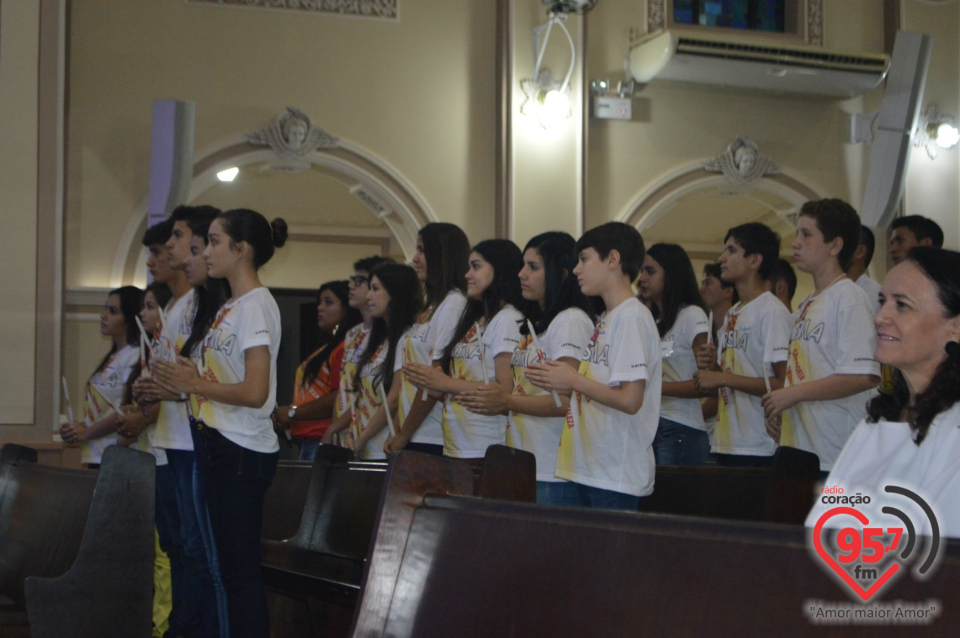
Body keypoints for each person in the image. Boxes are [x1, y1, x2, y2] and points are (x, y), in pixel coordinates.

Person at [154, 208, 287, 638]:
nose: (205, 252)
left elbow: (255, 392)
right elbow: (214, 380)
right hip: (215, 444)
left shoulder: (257, 305)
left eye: (213, 242)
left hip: (241, 451)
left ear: (241, 250)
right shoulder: (230, 306)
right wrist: (180, 377)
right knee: (220, 569)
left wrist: (195, 383)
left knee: (238, 574)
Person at [805, 247, 960, 538]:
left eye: (901, 305)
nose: (879, 317)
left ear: (955, 327)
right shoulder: (881, 418)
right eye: (881, 302)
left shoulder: (954, 427)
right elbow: (825, 525)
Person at [526, 222, 661, 511]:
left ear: (613, 259)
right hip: (594, 467)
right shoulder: (610, 317)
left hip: (614, 473)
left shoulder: (632, 317)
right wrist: (558, 380)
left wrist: (572, 379)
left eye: (584, 259)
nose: (576, 269)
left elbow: (630, 399)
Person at [136, 205, 224, 638]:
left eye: (177, 239)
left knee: (196, 549)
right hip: (170, 440)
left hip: (194, 441)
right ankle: (182, 625)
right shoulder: (177, 305)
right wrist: (152, 389)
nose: (171, 249)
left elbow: (203, 378)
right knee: (178, 545)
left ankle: (193, 628)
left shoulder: (203, 304)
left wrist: (164, 389)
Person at [457, 232, 595, 505]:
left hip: (553, 468)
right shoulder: (538, 322)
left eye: (533, 267)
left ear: (561, 273)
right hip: (525, 461)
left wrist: (506, 400)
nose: (521, 274)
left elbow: (568, 402)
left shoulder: (570, 321)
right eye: (523, 265)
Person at [762, 199, 880, 476]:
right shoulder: (807, 304)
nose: (796, 243)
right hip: (803, 450)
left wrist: (791, 394)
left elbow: (863, 376)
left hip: (836, 453)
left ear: (835, 245)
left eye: (806, 234)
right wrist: (784, 411)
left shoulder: (849, 298)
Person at [403, 239, 526, 460]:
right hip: (456, 443)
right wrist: (433, 384)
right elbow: (462, 384)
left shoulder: (506, 318)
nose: (468, 274)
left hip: (487, 445)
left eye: (476, 266)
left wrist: (444, 383)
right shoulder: (475, 318)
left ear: (500, 269)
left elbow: (506, 388)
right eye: (469, 267)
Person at [694, 223, 791, 468]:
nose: (722, 258)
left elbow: (782, 382)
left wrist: (721, 379)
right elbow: (733, 375)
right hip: (727, 439)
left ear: (755, 260)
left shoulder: (771, 311)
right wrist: (713, 368)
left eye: (731, 250)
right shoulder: (733, 313)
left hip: (759, 443)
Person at [384, 223, 471, 456]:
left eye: (422, 250)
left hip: (432, 434)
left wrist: (404, 434)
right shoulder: (432, 306)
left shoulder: (454, 303)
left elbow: (435, 381)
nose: (415, 258)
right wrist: (399, 428)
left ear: (442, 255)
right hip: (413, 430)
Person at [272, 281, 361, 461]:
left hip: (326, 438)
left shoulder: (345, 348)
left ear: (347, 308)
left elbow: (338, 397)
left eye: (328, 302)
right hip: (308, 440)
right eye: (319, 302)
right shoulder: (327, 347)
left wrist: (292, 413)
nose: (320, 308)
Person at [640, 243, 711, 466]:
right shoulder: (654, 320)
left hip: (681, 428)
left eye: (650, 271)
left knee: (672, 501)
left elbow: (706, 383)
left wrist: (650, 389)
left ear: (671, 275)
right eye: (642, 271)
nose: (642, 278)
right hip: (654, 424)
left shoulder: (691, 315)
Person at [344, 264, 423, 457]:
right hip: (364, 449)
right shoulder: (376, 340)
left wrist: (362, 439)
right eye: (369, 288)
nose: (369, 296)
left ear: (396, 292)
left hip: (387, 448)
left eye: (375, 289)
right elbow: (361, 395)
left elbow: (395, 398)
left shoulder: (410, 338)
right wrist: (351, 431)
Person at [60, 287, 142, 469]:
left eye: (112, 311)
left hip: (118, 454)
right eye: (105, 309)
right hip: (97, 453)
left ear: (130, 318)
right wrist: (78, 428)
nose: (103, 316)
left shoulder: (134, 357)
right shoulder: (114, 356)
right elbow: (105, 408)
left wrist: (87, 433)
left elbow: (127, 411)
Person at [321, 256, 393, 448]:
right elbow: (344, 389)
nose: (351, 285)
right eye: (352, 279)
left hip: (374, 435)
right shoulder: (353, 333)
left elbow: (374, 393)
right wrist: (337, 427)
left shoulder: (386, 337)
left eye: (360, 281)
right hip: (348, 431)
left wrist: (337, 427)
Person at [699, 263, 738, 429]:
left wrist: (692, 418)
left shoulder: (735, 331)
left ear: (727, 292)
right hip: (712, 432)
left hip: (728, 426)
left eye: (708, 283)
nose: (702, 289)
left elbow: (726, 386)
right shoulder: (708, 330)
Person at [847, 224, 881, 315]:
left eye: (841, 244)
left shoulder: (871, 295)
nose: (833, 250)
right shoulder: (837, 290)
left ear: (859, 251)